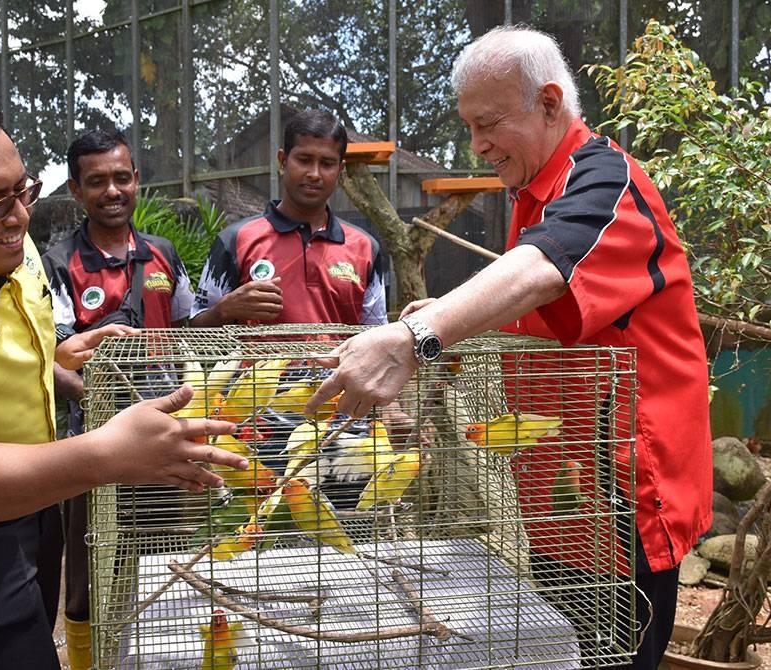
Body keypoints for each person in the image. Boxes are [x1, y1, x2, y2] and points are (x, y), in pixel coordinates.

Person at [304, 26, 712, 670]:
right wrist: (443, 315)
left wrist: (414, 338)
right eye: (468, 126)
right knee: (567, 650)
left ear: (550, 104)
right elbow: (556, 313)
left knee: (615, 653)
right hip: (560, 493)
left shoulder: (606, 181)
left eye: (488, 123)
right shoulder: (533, 194)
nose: (476, 145)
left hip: (624, 497)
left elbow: (546, 269)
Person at [0, 94, 247, 670]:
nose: (18, 215)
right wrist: (105, 455)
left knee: (35, 618)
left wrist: (60, 354)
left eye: (23, 189)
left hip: (26, 479)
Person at [42, 128, 196, 670]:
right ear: (77, 190)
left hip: (161, 433)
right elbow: (56, 358)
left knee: (167, 550)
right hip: (92, 438)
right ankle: (87, 660)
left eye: (122, 177)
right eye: (97, 181)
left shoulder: (162, 255)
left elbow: (189, 330)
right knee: (88, 561)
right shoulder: (59, 262)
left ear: (136, 181)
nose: (112, 190)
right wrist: (104, 406)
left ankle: (164, 655)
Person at [190, 108, 387, 327]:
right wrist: (223, 310)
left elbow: (376, 334)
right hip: (257, 364)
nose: (314, 173)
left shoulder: (365, 249)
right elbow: (196, 325)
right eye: (304, 160)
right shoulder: (235, 240)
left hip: (343, 364)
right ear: (283, 161)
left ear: (340, 170)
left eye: (327, 164)